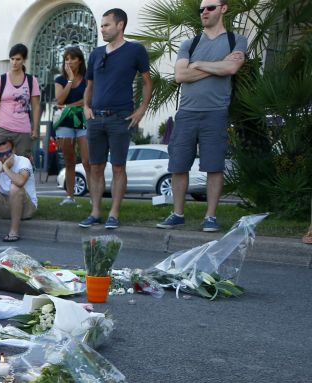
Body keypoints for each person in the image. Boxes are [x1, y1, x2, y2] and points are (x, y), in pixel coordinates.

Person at [158, 1, 247, 233]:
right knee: (178, 165)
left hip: (216, 113)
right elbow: (180, 75)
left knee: (214, 167)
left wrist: (197, 64)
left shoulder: (236, 40)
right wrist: (217, 65)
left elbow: (231, 69)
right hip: (186, 113)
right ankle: (177, 214)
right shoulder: (190, 42)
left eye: (209, 7)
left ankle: (210, 217)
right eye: (201, 9)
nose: (204, 12)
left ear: (223, 9)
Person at [80, 8, 152, 230]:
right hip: (96, 118)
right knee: (95, 167)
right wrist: (85, 106)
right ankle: (95, 212)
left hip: (120, 117)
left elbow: (147, 81)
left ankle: (114, 213)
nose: (102, 29)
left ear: (120, 25)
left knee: (119, 167)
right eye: (101, 25)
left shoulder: (135, 51)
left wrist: (141, 109)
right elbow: (89, 86)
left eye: (106, 25)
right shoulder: (96, 53)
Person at [0, 44, 41, 161]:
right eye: (12, 59)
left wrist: (35, 128)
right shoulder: (0, 80)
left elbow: (36, 106)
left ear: (24, 60)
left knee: (21, 165)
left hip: (23, 130)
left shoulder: (32, 81)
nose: (14, 62)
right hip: (2, 129)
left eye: (18, 59)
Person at [53, 46, 90, 205]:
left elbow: (88, 99)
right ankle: (70, 196)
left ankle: (92, 197)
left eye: (72, 58)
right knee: (69, 161)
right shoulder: (60, 80)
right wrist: (69, 79)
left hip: (83, 119)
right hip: (65, 122)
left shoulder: (88, 77)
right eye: (66, 59)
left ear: (80, 60)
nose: (69, 62)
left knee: (87, 160)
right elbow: (59, 100)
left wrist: (70, 106)